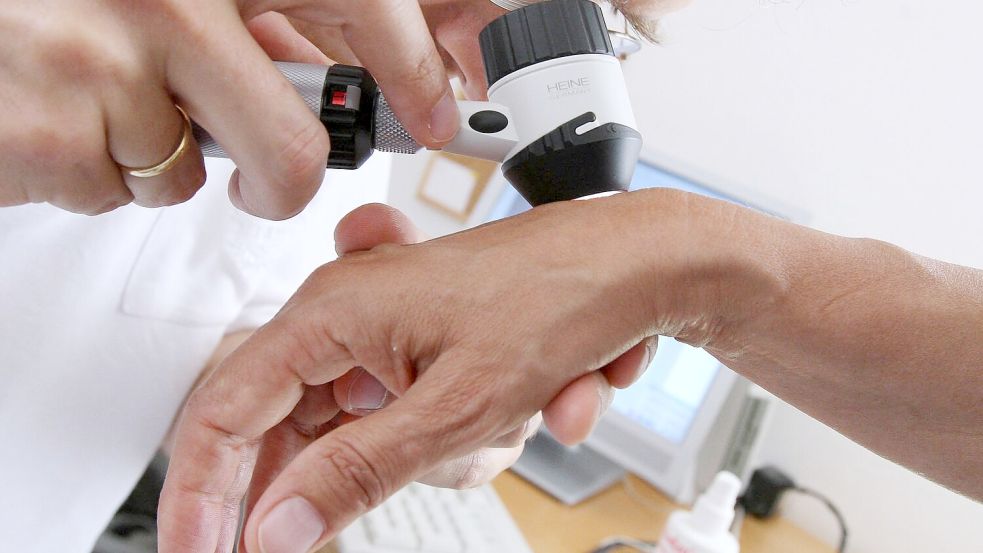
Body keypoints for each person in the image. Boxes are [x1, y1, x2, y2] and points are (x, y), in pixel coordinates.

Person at [156, 12, 983, 553]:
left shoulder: (331, 130)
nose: (482, 50)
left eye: (608, 22)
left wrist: (387, 409)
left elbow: (189, 339)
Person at [2, 1, 569, 552]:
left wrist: (353, 398)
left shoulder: (346, 123)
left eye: (614, 24)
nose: (486, 68)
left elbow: (179, 354)